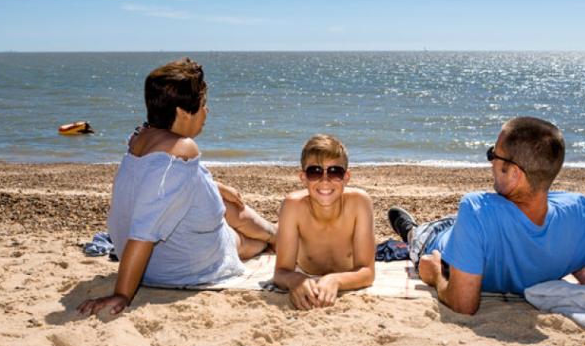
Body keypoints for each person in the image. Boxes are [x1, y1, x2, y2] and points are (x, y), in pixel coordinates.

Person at [78, 58, 276, 316]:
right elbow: (145, 229)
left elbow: (155, 186)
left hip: (152, 259)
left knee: (224, 200)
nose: (207, 112)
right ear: (183, 112)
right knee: (246, 239)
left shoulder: (140, 138)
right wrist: (122, 295)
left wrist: (215, 185)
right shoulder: (181, 150)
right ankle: (274, 237)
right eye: (203, 105)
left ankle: (274, 234)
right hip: (183, 264)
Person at [388, 116, 585, 315]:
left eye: (494, 154)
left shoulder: (475, 209)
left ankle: (409, 229)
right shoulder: (584, 214)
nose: (490, 161)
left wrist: (435, 275)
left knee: (419, 235)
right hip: (471, 226)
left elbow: (463, 304)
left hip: (437, 242)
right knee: (459, 220)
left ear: (514, 174)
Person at [272, 134, 375, 309]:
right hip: (305, 267)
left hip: (339, 268)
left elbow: (367, 272)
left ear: (346, 177)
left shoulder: (360, 203)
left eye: (335, 172)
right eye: (315, 172)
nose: (325, 181)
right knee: (265, 237)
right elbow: (281, 273)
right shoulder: (293, 206)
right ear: (303, 177)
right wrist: (296, 280)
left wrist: (336, 280)